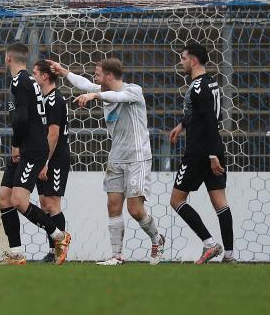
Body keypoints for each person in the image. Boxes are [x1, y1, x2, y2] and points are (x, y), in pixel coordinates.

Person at [47, 57, 165, 265]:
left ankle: (157, 239)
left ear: (109, 76)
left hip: (137, 157)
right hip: (116, 156)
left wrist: (95, 95)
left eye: (98, 74)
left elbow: (116, 96)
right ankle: (117, 255)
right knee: (113, 205)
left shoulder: (133, 91)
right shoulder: (103, 90)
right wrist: (63, 72)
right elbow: (84, 84)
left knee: (135, 210)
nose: (95, 78)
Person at [0, 43, 70, 265]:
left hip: (30, 149)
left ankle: (58, 236)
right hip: (25, 146)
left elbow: (21, 118)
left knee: (19, 201)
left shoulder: (20, 81)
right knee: (4, 199)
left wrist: (16, 144)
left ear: (8, 58)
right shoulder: (28, 81)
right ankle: (16, 253)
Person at [168, 42, 235, 264]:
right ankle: (229, 255)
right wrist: (182, 125)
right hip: (213, 148)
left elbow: (210, 121)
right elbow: (201, 113)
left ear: (194, 60)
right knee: (220, 202)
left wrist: (212, 155)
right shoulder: (211, 82)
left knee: (176, 200)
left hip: (199, 152)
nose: (181, 62)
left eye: (183, 58)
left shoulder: (198, 87)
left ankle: (210, 244)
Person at [31, 60, 71, 263]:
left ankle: (59, 249)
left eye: (35, 73)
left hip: (55, 158)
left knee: (53, 204)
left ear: (45, 76)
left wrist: (45, 161)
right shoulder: (44, 99)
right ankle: (53, 249)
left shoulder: (55, 99)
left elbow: (54, 134)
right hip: (45, 158)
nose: (33, 76)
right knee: (45, 204)